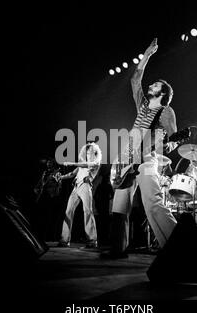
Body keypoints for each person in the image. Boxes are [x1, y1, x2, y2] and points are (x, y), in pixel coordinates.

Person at [105, 38, 178, 258]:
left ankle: (180, 247)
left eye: (156, 85)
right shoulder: (143, 104)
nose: (151, 85)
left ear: (163, 93)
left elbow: (174, 138)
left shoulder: (165, 111)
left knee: (153, 204)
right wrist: (146, 54)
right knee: (119, 208)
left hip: (146, 158)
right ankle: (118, 250)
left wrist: (171, 141)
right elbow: (135, 79)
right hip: (126, 158)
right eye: (152, 83)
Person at [58, 142, 102, 248]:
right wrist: (61, 177)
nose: (87, 154)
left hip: (85, 187)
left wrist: (72, 163)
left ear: (94, 153)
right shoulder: (82, 164)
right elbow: (73, 174)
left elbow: (85, 165)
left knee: (87, 211)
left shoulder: (96, 163)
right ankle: (64, 240)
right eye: (86, 152)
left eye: (89, 152)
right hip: (76, 187)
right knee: (68, 211)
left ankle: (92, 240)